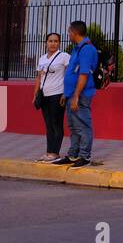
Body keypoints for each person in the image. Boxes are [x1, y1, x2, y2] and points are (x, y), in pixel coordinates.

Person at [53, 21, 99, 168]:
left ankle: (84, 156)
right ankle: (73, 154)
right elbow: (72, 72)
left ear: (75, 32)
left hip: (81, 95)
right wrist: (66, 94)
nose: (68, 34)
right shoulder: (76, 48)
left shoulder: (86, 50)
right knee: (73, 126)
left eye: (69, 32)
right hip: (71, 94)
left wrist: (76, 96)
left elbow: (83, 75)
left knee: (84, 125)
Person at [34, 33, 68, 162]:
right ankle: (49, 152)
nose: (53, 43)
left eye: (55, 41)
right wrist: (35, 93)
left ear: (59, 43)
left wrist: (66, 92)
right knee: (48, 124)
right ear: (46, 43)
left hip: (57, 94)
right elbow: (38, 77)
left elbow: (71, 73)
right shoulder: (42, 58)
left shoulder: (64, 57)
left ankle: (55, 153)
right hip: (44, 95)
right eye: (50, 41)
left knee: (56, 123)